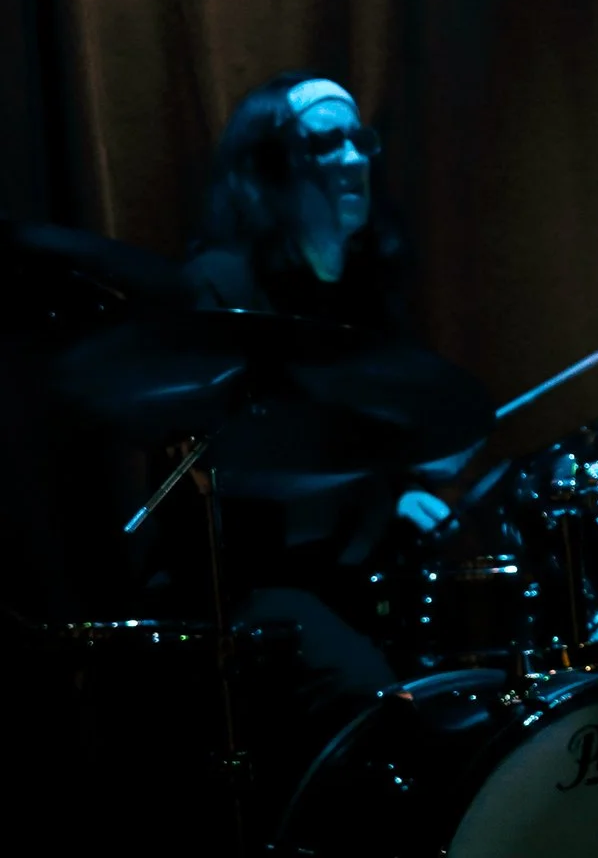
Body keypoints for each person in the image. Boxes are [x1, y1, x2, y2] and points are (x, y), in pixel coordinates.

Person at [179, 72, 475, 726]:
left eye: (360, 141)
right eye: (324, 144)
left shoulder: (369, 297)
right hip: (254, 583)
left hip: (360, 575)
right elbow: (238, 470)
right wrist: (376, 477)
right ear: (269, 167)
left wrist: (414, 479)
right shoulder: (223, 288)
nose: (353, 160)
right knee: (385, 709)